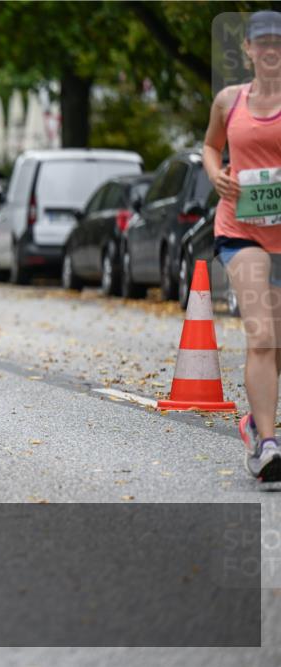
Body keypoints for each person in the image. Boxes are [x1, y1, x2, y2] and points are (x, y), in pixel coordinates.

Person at [202, 9, 281, 483]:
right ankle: (268, 444)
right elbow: (211, 146)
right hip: (242, 229)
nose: (271, 50)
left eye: (279, 42)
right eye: (262, 42)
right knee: (262, 335)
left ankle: (254, 421)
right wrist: (216, 175)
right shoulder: (228, 100)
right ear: (248, 49)